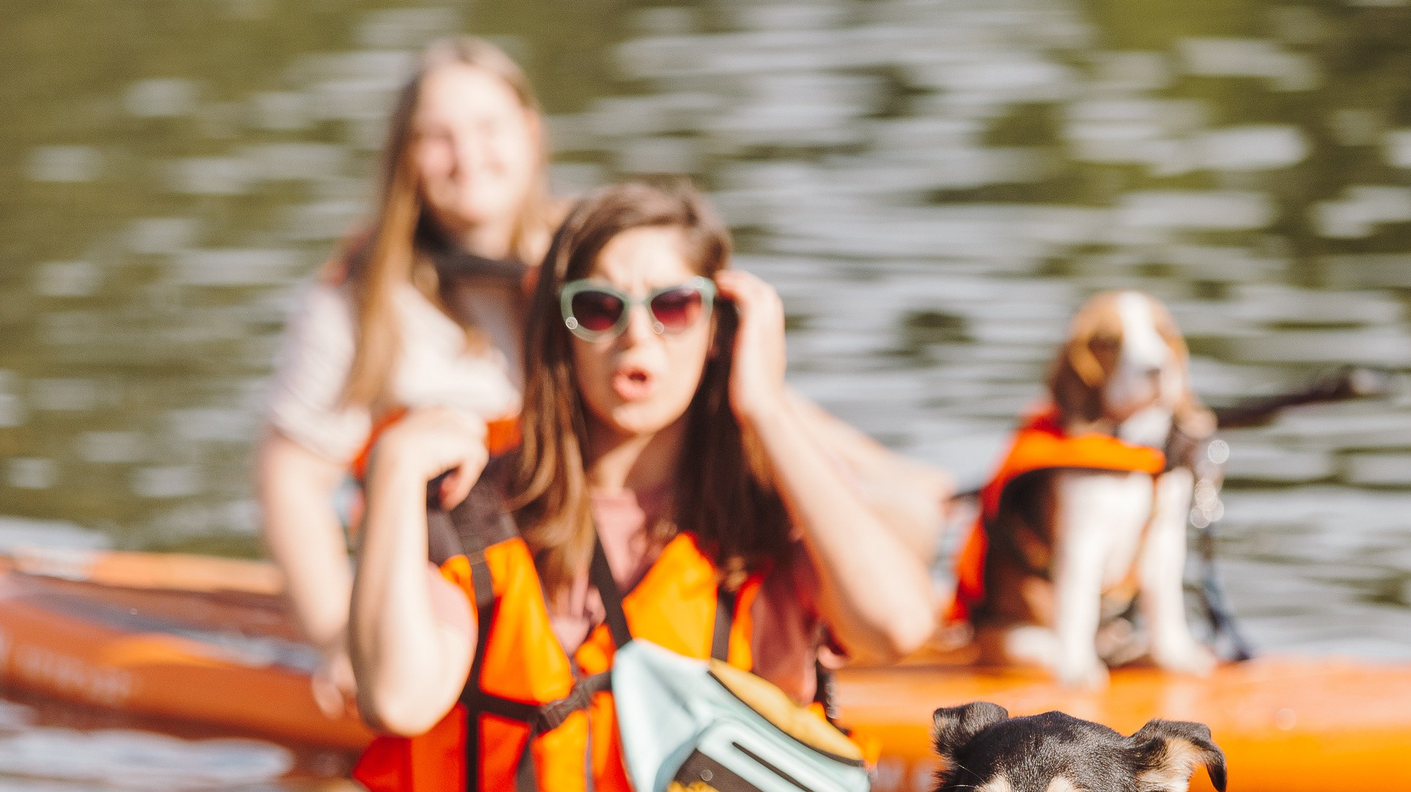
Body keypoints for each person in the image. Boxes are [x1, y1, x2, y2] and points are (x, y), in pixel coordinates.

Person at [347, 181, 935, 792]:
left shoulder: (773, 505)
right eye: (599, 306)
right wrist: (394, 473)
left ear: (718, 326)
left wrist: (765, 403)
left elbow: (898, 624)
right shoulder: (477, 512)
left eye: (672, 305)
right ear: (558, 328)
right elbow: (396, 698)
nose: (636, 336)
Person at [257, 40, 949, 696]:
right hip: (465, 566)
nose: (467, 155)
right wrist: (337, 633)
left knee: (902, 510)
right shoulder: (355, 302)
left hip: (624, 549)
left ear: (530, 133)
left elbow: (737, 385)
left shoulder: (596, 252)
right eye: (437, 136)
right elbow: (292, 477)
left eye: (487, 126)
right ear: (403, 156)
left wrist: (884, 471)